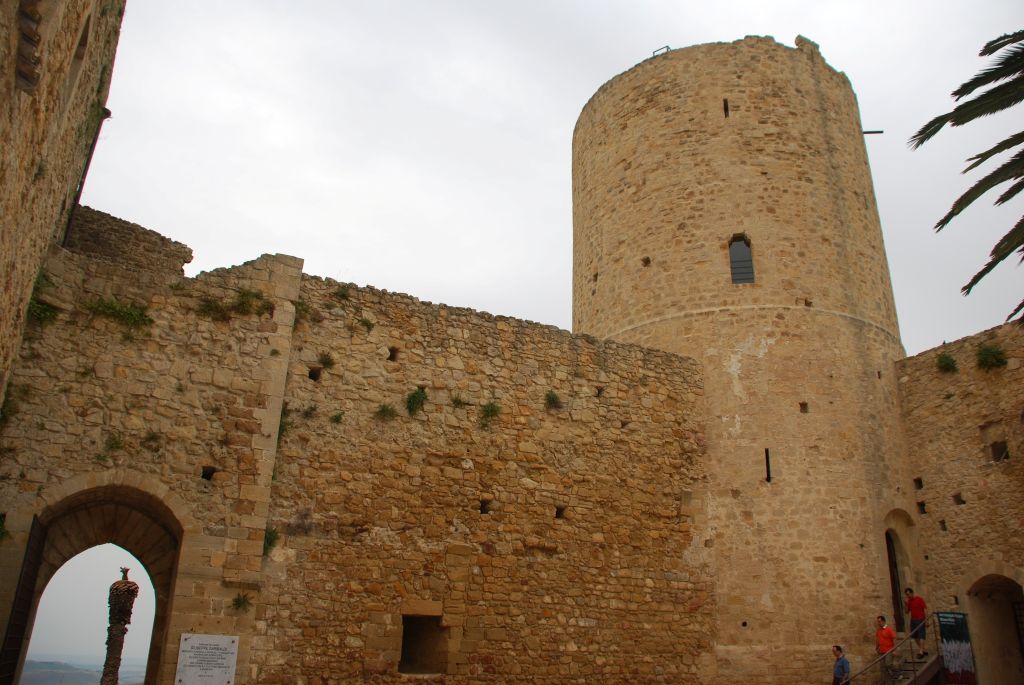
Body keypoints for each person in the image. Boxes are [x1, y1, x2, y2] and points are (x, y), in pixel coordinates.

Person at [904, 587, 928, 659]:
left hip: (920, 619)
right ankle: (923, 649)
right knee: (914, 636)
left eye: (908, 594)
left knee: (921, 635)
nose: (908, 596)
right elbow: (907, 612)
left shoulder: (919, 599)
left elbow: (925, 609)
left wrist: (926, 620)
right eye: (906, 595)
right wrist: (905, 604)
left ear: (912, 593)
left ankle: (921, 651)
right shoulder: (909, 602)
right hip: (913, 620)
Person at [875, 615, 898, 683]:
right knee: (882, 668)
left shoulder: (889, 629)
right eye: (878, 622)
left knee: (888, 664)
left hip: (889, 650)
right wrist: (877, 648)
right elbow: (878, 640)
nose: (879, 623)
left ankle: (898, 671)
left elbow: (894, 639)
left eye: (880, 621)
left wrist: (895, 650)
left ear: (884, 621)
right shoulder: (878, 631)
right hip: (881, 651)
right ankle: (889, 682)